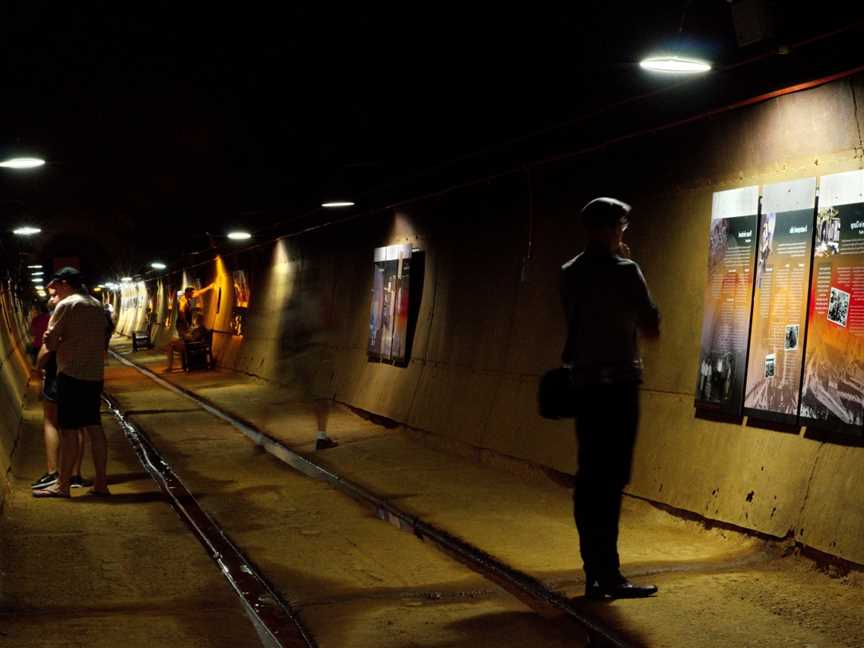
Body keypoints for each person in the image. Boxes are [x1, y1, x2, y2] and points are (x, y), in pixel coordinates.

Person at [560, 197, 660, 599]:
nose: (624, 233)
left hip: (583, 385)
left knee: (589, 477)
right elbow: (651, 322)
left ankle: (593, 571)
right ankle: (611, 573)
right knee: (613, 477)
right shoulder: (626, 270)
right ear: (608, 229)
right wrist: (629, 271)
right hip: (618, 385)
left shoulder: (569, 273)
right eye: (621, 225)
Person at [33, 267, 111, 498]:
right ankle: (101, 483)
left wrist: (50, 340)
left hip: (71, 374)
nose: (51, 289)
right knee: (94, 428)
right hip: (94, 374)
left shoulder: (66, 306)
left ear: (66, 283)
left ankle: (63, 485)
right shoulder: (97, 305)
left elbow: (52, 343)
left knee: (68, 432)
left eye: (55, 285)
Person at [30, 287, 91, 492]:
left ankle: (53, 472)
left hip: (56, 370)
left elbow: (44, 347)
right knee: (79, 424)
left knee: (51, 421)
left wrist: (37, 370)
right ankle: (75, 474)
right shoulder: (83, 319)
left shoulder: (41, 321)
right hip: (80, 371)